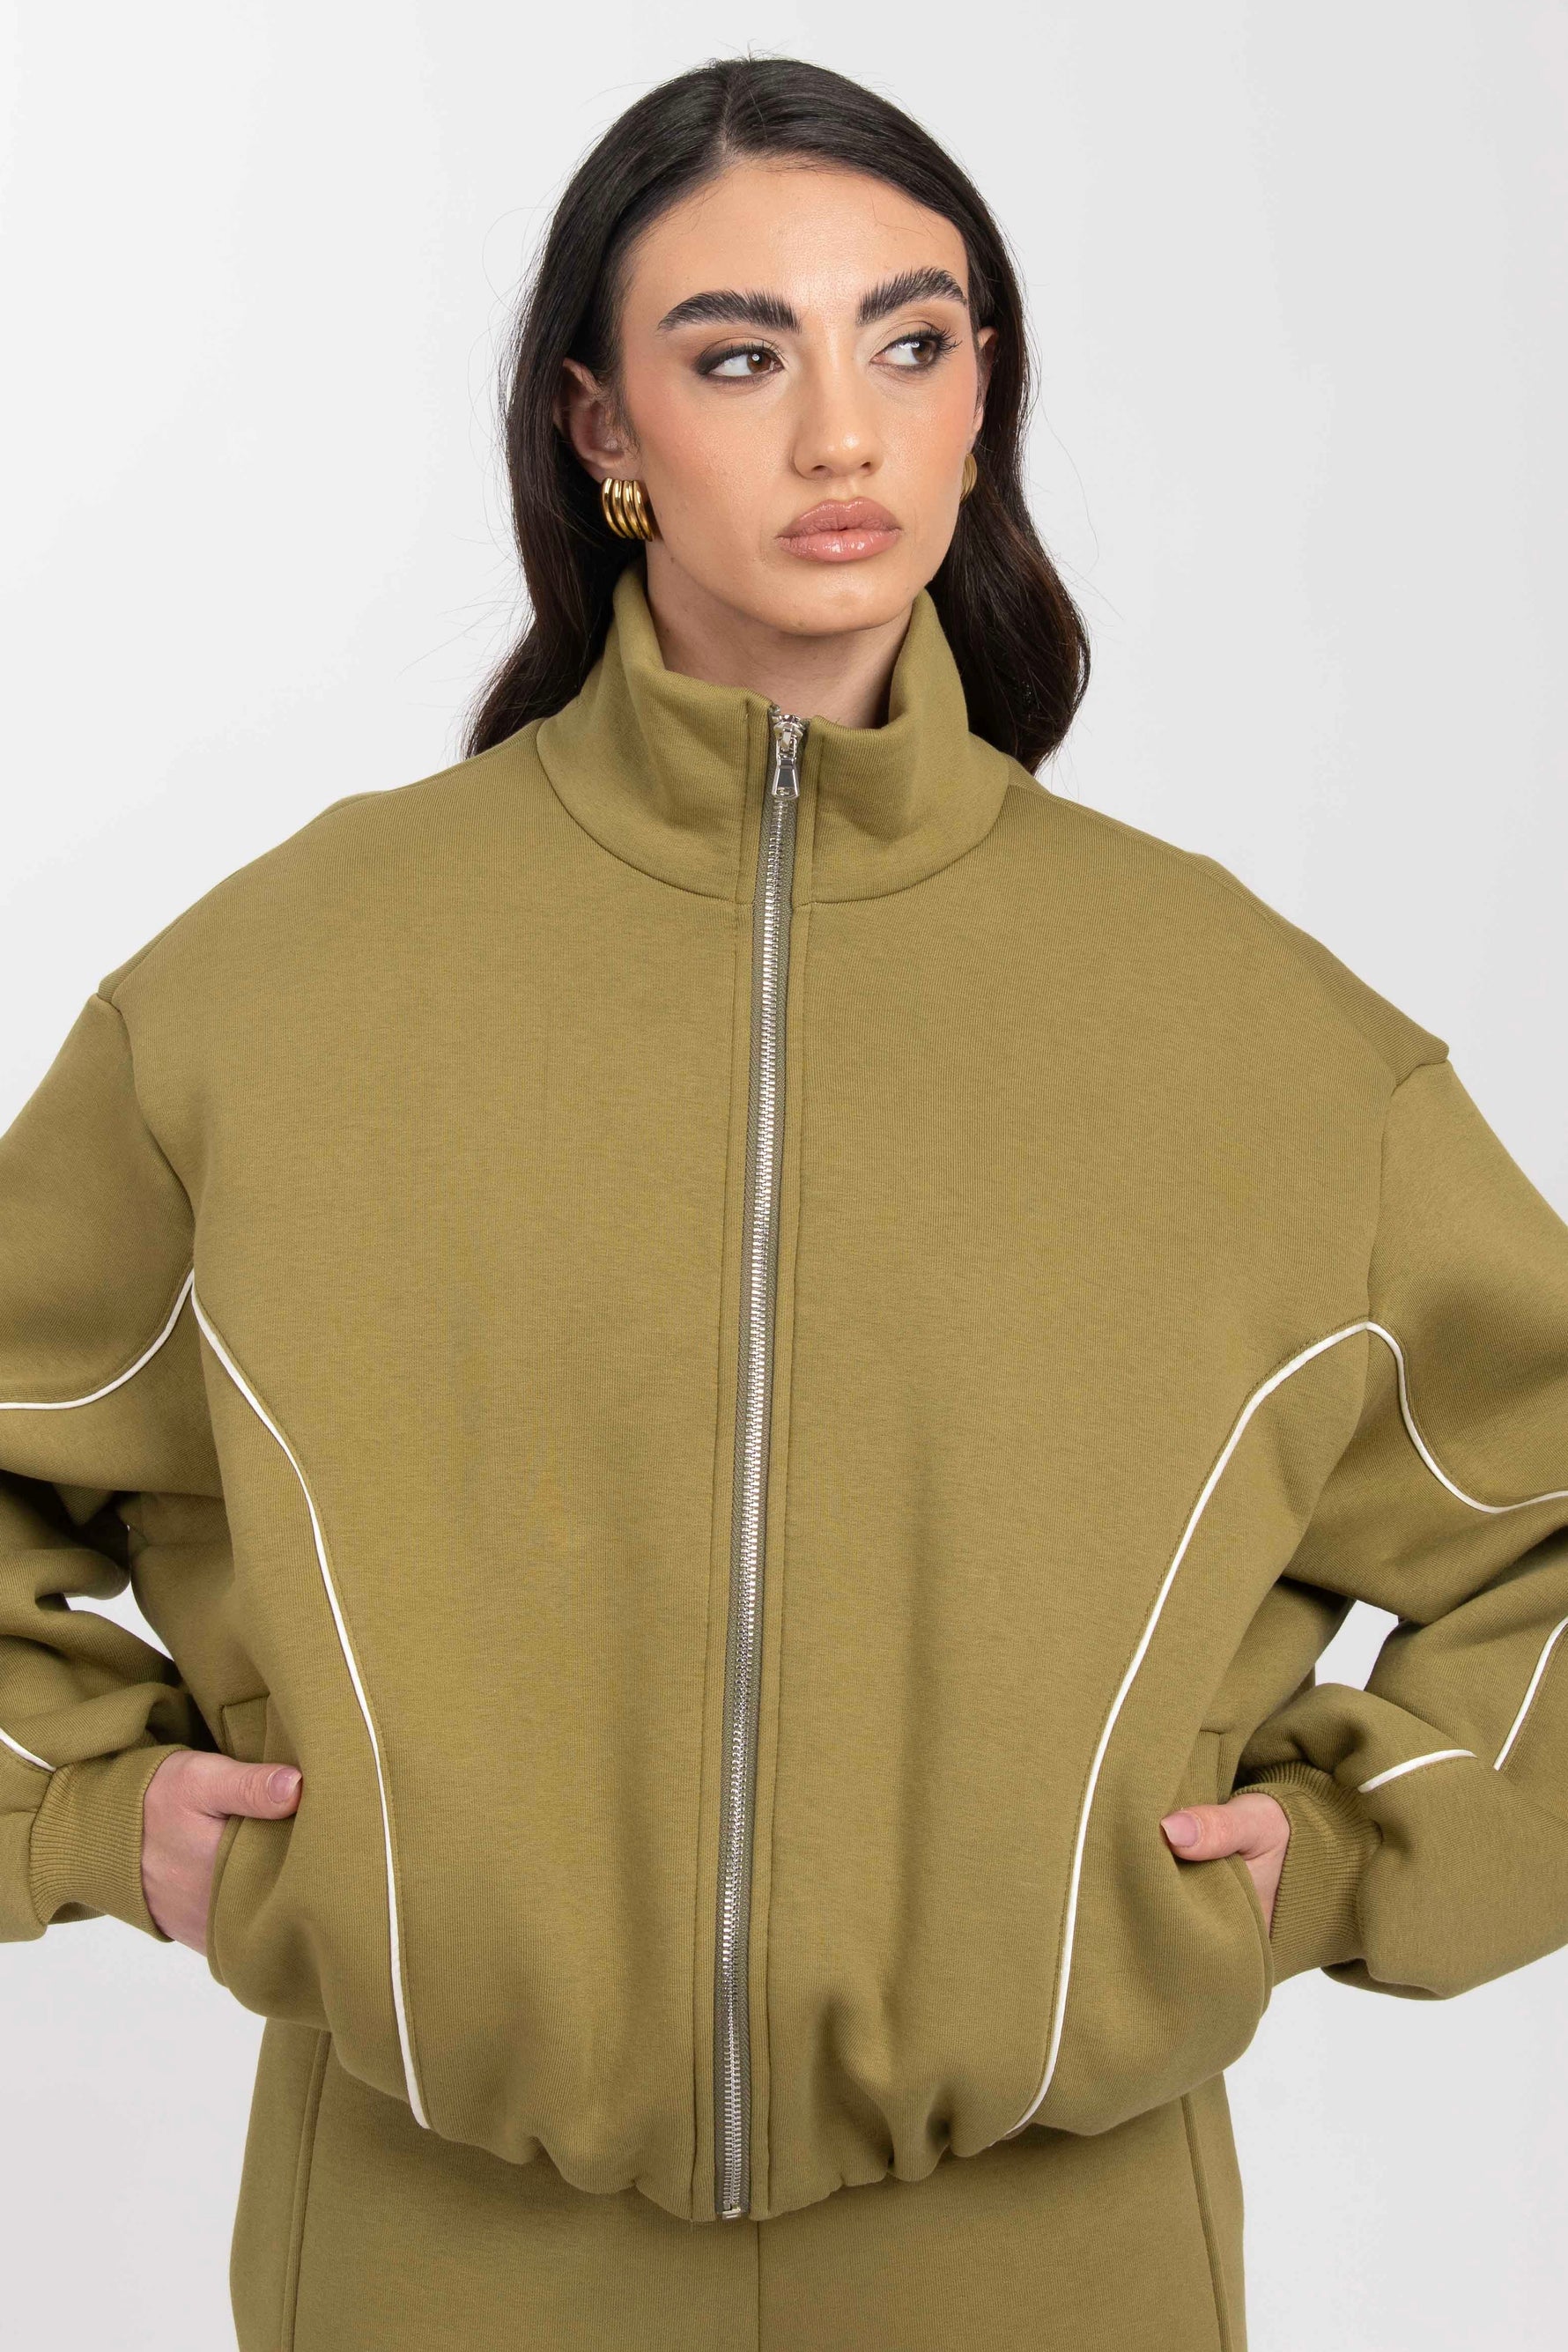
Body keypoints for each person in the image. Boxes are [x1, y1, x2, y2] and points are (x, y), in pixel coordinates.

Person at [3, 52, 1565, 2352]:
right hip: (436, 2271)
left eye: (907, 343)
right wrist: (81, 1814)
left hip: (1058, 2273)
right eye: (740, 356)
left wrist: (1337, 1859)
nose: (842, 433)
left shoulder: (1252, 1039)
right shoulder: (279, 998)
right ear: (602, 430)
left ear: (979, 400)